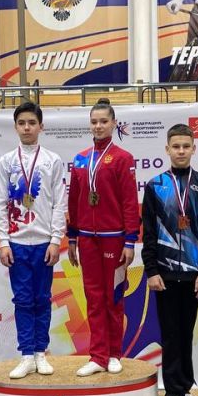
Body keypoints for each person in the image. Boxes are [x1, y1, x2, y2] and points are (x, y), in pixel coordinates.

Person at [142, 124, 198, 396]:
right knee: (170, 333)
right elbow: (149, 233)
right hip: (164, 273)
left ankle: (184, 389)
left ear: (194, 149)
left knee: (186, 332)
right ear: (167, 149)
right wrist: (151, 270)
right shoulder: (155, 186)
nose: (181, 151)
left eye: (186, 146)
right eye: (176, 146)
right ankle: (173, 392)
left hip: (194, 274)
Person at [0, 101, 67, 378]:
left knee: (42, 299)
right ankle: (26, 355)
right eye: (22, 123)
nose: (27, 127)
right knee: (23, 300)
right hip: (17, 242)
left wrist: (55, 239)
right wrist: (3, 242)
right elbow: (0, 203)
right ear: (15, 127)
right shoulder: (6, 161)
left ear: (41, 127)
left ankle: (40, 353)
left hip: (44, 242)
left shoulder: (52, 160)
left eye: (32, 123)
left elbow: (59, 203)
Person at [68, 97, 138, 377]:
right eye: (94, 122)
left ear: (113, 123)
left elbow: (130, 202)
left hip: (114, 239)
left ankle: (114, 353)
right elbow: (74, 200)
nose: (98, 126)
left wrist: (130, 240)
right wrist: (72, 238)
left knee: (113, 297)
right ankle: (97, 356)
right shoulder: (80, 158)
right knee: (93, 297)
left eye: (104, 121)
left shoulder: (123, 158)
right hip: (87, 239)